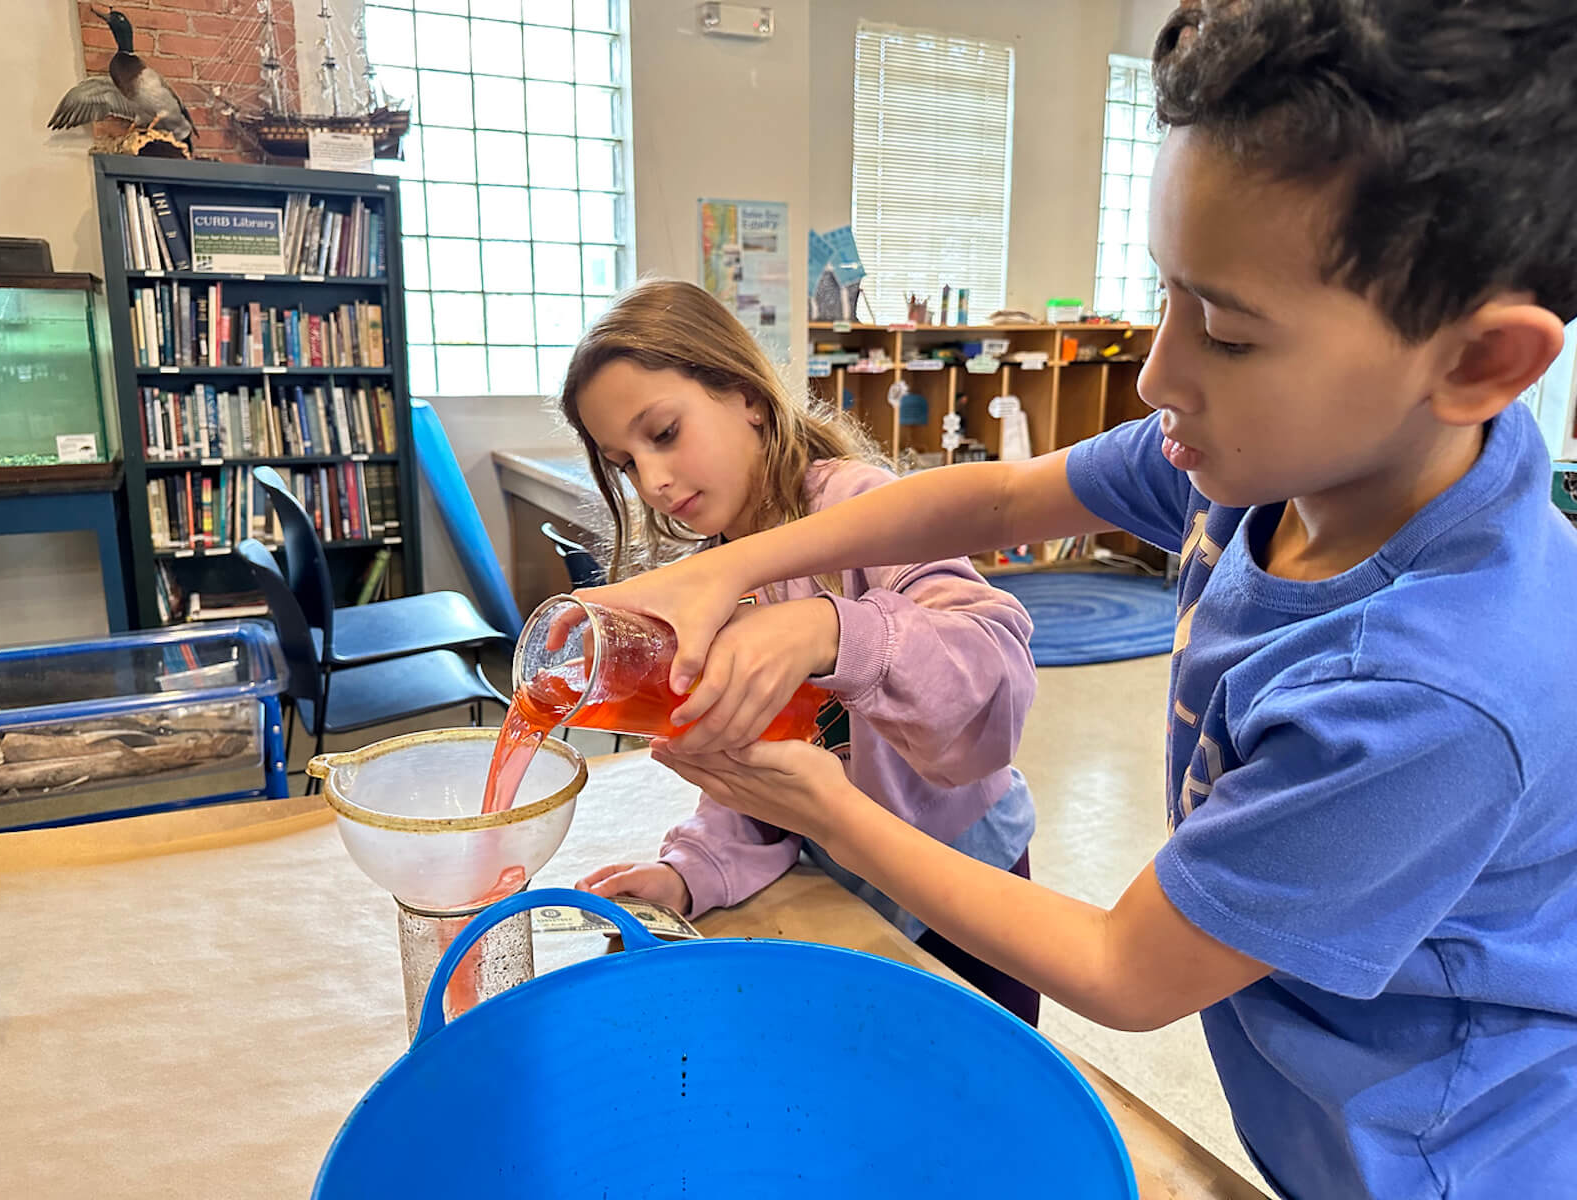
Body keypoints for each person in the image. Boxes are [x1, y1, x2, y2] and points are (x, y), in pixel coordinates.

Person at [570, 4, 1577, 1196]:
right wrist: (722, 569)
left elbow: (1121, 970)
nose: (1157, 373)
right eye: (1167, 294)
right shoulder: (1257, 461)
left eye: (1229, 330)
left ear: (1475, 363)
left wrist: (828, 809)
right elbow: (996, 501)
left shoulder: (1430, 693)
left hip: (1439, 1155)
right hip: (1308, 1088)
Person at [559, 278, 1042, 1022]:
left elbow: (992, 677)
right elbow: (748, 776)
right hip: (846, 882)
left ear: (745, 395)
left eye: (663, 433)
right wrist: (689, 874)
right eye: (624, 463)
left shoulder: (858, 507)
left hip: (965, 884)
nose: (652, 481)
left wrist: (831, 629)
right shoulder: (712, 578)